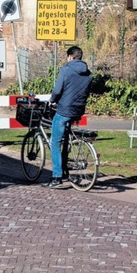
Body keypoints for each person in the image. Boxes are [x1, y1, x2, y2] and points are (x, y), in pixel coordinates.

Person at [47, 45, 92, 189]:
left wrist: (52, 100)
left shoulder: (66, 70)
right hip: (78, 110)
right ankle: (65, 169)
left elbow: (57, 90)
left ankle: (56, 177)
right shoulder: (88, 73)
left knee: (55, 143)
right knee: (65, 139)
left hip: (64, 110)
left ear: (70, 57)